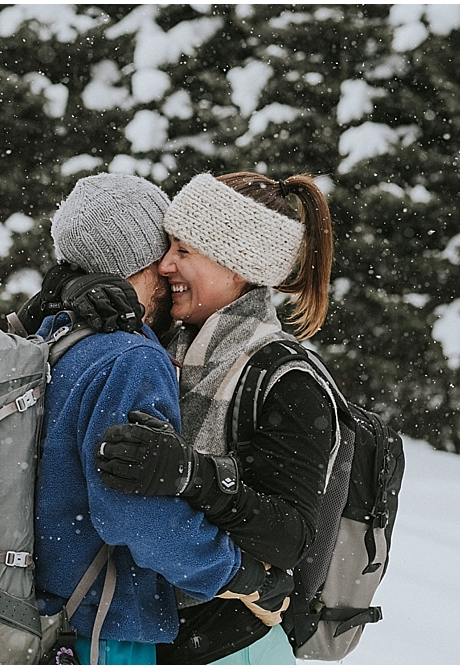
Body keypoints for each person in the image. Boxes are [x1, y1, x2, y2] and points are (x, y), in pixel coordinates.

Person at [23, 173, 291, 666]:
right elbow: (134, 510)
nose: (169, 270)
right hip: (104, 626)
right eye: (161, 254)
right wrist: (237, 573)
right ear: (135, 267)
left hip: (35, 617)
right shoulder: (130, 357)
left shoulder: (45, 336)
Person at [94, 172, 339, 664]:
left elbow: (291, 537)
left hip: (233, 648)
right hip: (160, 641)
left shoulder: (289, 379)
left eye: (184, 251)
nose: (165, 265)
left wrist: (193, 475)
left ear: (237, 264)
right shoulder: (168, 344)